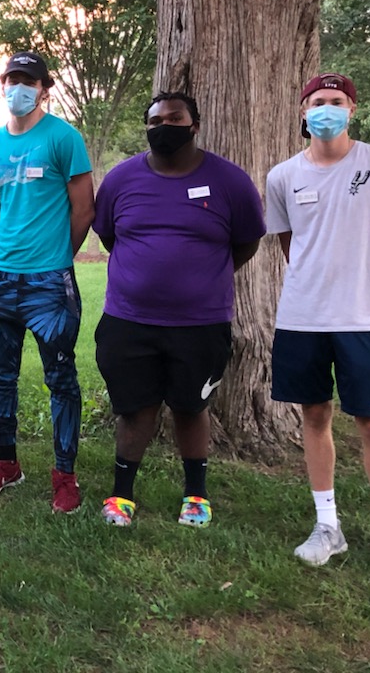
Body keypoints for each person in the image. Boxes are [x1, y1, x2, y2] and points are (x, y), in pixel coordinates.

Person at [93, 92, 265, 528]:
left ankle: (196, 495)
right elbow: (112, 238)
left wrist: (200, 277)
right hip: (128, 320)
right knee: (135, 407)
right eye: (154, 120)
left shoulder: (230, 181)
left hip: (200, 323)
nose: (163, 125)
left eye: (174, 117)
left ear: (194, 125)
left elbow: (245, 241)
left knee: (192, 406)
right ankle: (122, 495)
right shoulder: (120, 179)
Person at [266, 73, 370, 566]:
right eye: (317, 102)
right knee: (314, 417)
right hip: (303, 317)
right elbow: (289, 243)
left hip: (366, 316)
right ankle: (327, 526)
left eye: (336, 101)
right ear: (303, 112)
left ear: (352, 109)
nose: (326, 109)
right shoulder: (282, 176)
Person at [0, 52, 94, 510]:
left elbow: (84, 208)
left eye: (28, 80)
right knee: (0, 377)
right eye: (11, 79)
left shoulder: (64, 138)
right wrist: (12, 241)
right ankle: (8, 465)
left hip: (49, 281)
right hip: (1, 278)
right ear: (2, 85)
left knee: (60, 378)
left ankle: (65, 475)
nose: (17, 88)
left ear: (45, 87)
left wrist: (58, 255)